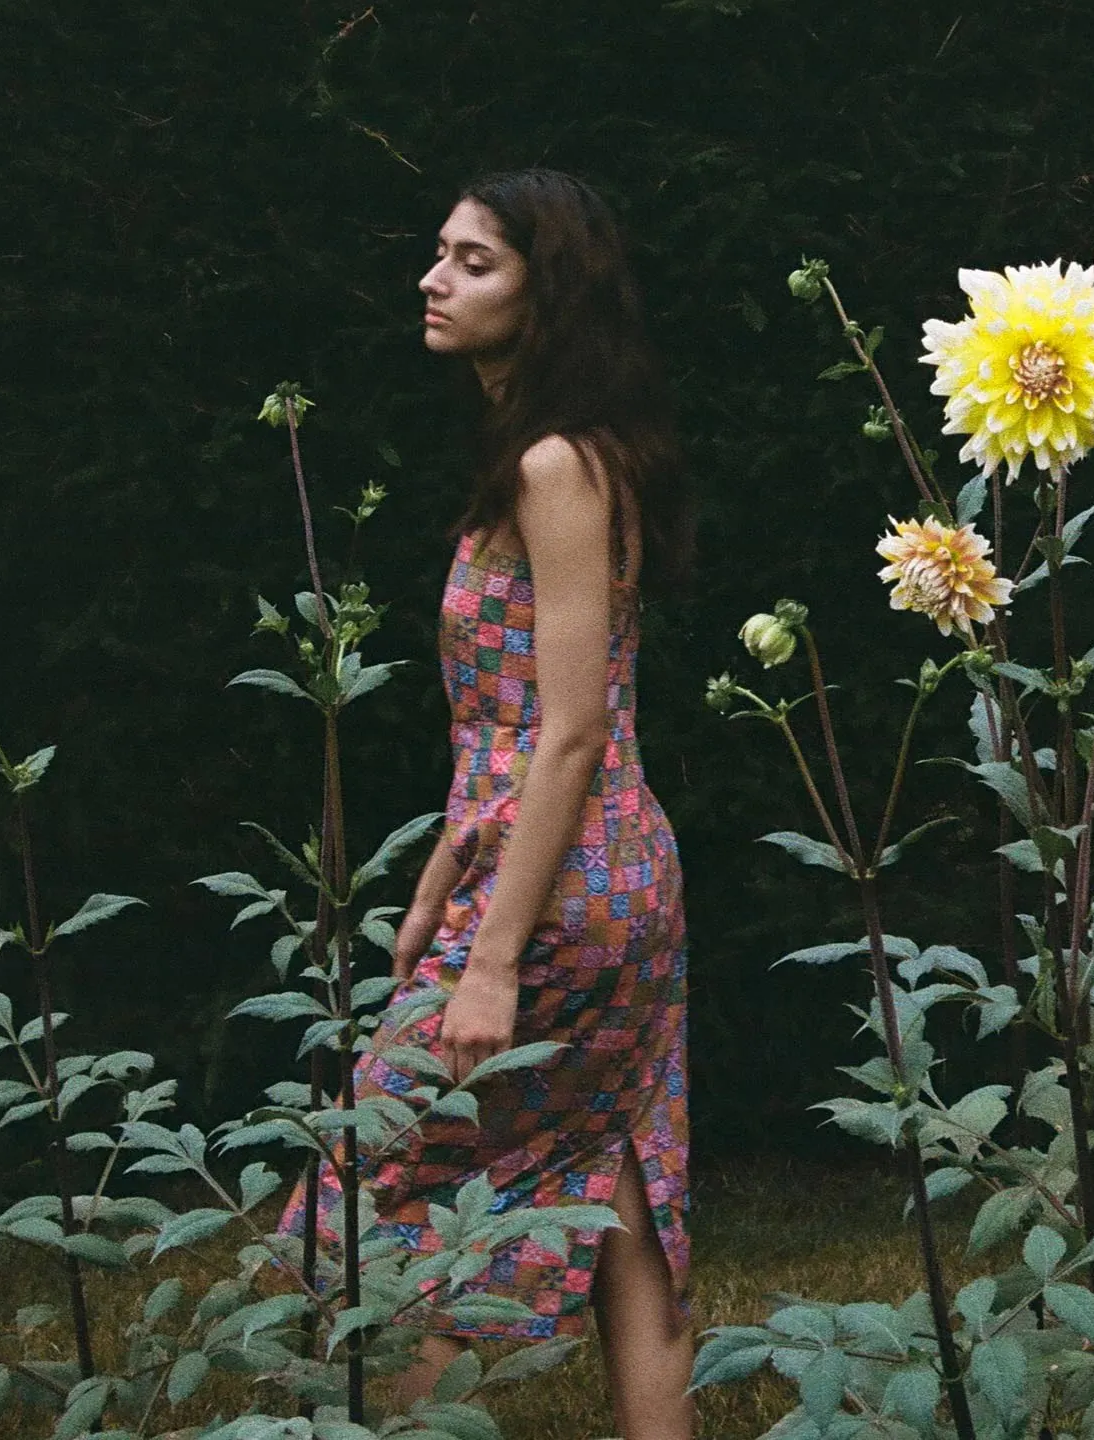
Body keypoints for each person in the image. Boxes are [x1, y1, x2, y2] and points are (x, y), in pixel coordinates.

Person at [279, 169, 693, 1440]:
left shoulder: (558, 466)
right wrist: (433, 895)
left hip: (564, 888)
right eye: (439, 254)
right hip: (608, 873)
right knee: (626, 1187)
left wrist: (492, 959)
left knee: (359, 1194)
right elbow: (510, 734)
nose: (433, 277)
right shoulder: (566, 454)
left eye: (473, 261)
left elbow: (566, 732)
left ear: (545, 289)